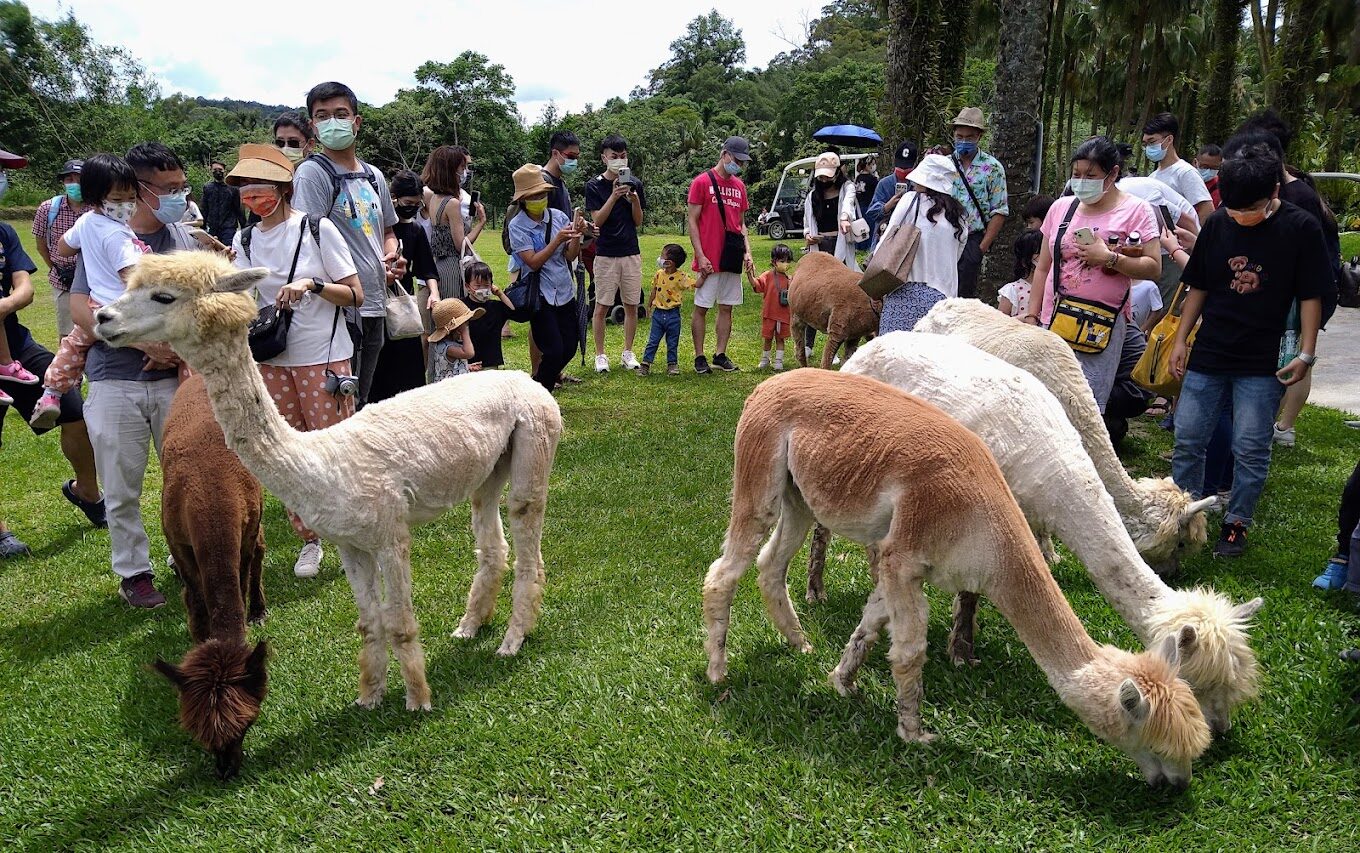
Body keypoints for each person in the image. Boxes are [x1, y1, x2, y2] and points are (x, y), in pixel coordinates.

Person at [1169, 144, 1328, 558]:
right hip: (1211, 352)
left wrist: (1306, 352)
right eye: (1235, 209)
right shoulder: (1219, 222)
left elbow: (1311, 294)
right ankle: (1183, 517)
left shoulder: (1301, 228)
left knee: (1251, 446)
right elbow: (1199, 284)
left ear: (1275, 189)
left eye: (1250, 209)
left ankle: (1236, 523)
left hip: (1263, 362)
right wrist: (1181, 338)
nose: (1241, 217)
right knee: (1188, 438)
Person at [73, 142, 204, 607]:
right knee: (122, 483)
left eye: (181, 187)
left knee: (185, 477)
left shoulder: (184, 240)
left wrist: (174, 350)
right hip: (115, 379)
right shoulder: (104, 234)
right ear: (140, 190)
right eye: (168, 189)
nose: (178, 197)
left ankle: (183, 557)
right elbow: (79, 306)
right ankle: (134, 572)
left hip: (178, 382)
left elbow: (203, 307)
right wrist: (142, 342)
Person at [227, 143, 364, 578]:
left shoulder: (318, 228)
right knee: (287, 450)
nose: (253, 200)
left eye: (260, 190)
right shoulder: (245, 238)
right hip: (272, 357)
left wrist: (312, 284)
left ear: (283, 189)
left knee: (334, 447)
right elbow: (241, 296)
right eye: (245, 192)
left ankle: (354, 530)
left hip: (322, 356)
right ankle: (309, 538)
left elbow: (355, 292)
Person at [0, 146, 105, 560]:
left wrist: (7, 304)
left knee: (72, 406)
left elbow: (24, 285)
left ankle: (88, 492)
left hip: (15, 344)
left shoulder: (5, 232)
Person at [1021, 137, 1160, 411]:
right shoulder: (1061, 208)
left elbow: (1153, 266)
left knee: (1086, 403)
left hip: (1102, 323)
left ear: (1113, 174)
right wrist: (1032, 315)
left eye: (1091, 175)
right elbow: (1043, 267)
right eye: (1077, 174)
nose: (1082, 181)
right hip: (1054, 319)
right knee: (1044, 397)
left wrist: (1110, 258)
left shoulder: (1136, 210)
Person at [1231, 112, 1344, 449]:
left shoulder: (1300, 197)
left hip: (1303, 291)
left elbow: (1310, 262)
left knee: (1296, 354)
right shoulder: (1262, 190)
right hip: (1276, 288)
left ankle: (1282, 427)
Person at [292, 81, 403, 409]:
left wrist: (392, 253)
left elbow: (388, 231)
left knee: (361, 398)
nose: (332, 122)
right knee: (338, 401)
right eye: (322, 116)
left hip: (374, 304)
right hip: (339, 309)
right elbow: (305, 242)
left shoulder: (374, 176)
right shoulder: (312, 175)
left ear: (357, 121)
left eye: (340, 114)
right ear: (313, 126)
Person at [28, 153, 150, 428]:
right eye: (118, 200)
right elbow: (130, 276)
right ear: (95, 197)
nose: (127, 206)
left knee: (72, 346)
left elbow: (62, 247)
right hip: (121, 308)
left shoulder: (85, 222)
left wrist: (86, 248)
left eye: (131, 198)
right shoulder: (117, 235)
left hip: (94, 306)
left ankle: (51, 395)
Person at [508, 163, 583, 393]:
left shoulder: (559, 217)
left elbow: (570, 255)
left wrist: (577, 235)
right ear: (523, 199)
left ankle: (538, 385)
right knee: (553, 349)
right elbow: (532, 262)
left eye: (542, 194)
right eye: (534, 195)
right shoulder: (517, 226)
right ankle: (542, 391)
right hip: (540, 295)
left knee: (570, 346)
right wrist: (557, 240)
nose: (540, 199)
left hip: (564, 290)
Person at [686, 136, 756, 374]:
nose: (739, 165)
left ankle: (720, 353)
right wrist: (700, 254)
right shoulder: (701, 182)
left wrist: (748, 252)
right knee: (702, 307)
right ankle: (699, 356)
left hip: (732, 256)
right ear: (724, 154)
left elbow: (742, 224)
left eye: (742, 162)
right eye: (736, 160)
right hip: (709, 257)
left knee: (727, 307)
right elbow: (692, 221)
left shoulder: (740, 187)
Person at [878, 154, 968, 333]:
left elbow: (885, 243)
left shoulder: (911, 200)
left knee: (896, 356)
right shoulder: (960, 216)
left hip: (906, 293)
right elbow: (955, 257)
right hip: (944, 302)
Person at [370, 169, 437, 402]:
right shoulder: (374, 227)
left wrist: (433, 294)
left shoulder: (415, 229)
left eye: (417, 205)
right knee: (378, 365)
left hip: (403, 304)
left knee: (410, 365)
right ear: (393, 198)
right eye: (408, 203)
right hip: (376, 300)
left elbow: (427, 268)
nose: (411, 209)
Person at [585, 134, 645, 373]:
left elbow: (638, 222)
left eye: (623, 156)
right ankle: (600, 355)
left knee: (632, 304)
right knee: (602, 306)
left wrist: (635, 201)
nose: (619, 161)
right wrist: (613, 195)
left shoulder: (634, 183)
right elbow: (597, 220)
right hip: (606, 253)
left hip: (631, 251)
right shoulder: (594, 185)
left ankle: (628, 352)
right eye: (614, 157)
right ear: (604, 158)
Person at [947, 108, 1009, 299]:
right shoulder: (945, 165)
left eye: (969, 137)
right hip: (944, 237)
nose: (963, 141)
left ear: (979, 136)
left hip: (972, 238)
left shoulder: (992, 168)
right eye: (959, 136)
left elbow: (999, 210)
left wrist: (981, 247)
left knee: (963, 295)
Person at [31, 158, 89, 337]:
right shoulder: (48, 209)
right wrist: (56, 268)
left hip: (92, 279)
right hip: (62, 279)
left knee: (95, 329)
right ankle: (67, 365)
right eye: (69, 180)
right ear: (63, 182)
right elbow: (41, 246)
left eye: (79, 179)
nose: (74, 184)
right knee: (67, 334)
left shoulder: (97, 208)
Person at [1142, 113, 1215, 224]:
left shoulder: (1185, 172)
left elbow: (1206, 210)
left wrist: (1195, 237)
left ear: (1169, 139)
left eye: (1152, 142)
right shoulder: (1153, 177)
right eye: (1145, 144)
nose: (1148, 148)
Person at [640, 243, 694, 376]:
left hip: (673, 315)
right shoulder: (659, 274)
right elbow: (654, 290)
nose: (660, 258)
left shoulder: (681, 277)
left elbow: (694, 284)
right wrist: (649, 305)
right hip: (658, 314)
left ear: (669, 262)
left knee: (672, 341)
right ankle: (646, 364)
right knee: (653, 341)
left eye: (662, 256)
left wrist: (704, 276)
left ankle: (672, 364)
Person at [803, 151, 860, 272]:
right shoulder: (812, 196)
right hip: (820, 246)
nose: (824, 180)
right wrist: (808, 235)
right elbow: (807, 223)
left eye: (828, 177)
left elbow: (848, 204)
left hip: (840, 242)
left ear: (838, 173)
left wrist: (844, 218)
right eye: (821, 177)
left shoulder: (847, 188)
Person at [866, 141, 919, 253]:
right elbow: (871, 212)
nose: (903, 170)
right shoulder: (884, 183)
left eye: (906, 167)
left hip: (909, 240)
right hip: (884, 237)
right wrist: (886, 207)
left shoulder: (918, 185)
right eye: (900, 166)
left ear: (914, 164)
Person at [750, 243, 793, 370]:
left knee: (781, 339)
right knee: (767, 338)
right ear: (773, 261)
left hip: (784, 316)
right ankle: (765, 359)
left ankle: (778, 361)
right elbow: (756, 285)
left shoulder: (790, 279)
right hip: (769, 314)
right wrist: (749, 274)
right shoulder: (767, 276)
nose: (785, 264)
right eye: (782, 261)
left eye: (787, 261)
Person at [463, 261, 513, 370]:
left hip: (491, 360)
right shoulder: (462, 306)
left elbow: (512, 311)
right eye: (477, 285)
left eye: (486, 285)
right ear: (467, 286)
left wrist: (500, 294)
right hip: (470, 361)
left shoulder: (495, 307)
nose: (482, 289)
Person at [428, 297, 481, 380]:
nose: (467, 326)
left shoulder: (444, 344)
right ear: (456, 329)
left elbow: (451, 365)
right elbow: (469, 353)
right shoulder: (448, 348)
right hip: (451, 390)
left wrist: (467, 367)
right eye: (465, 324)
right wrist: (464, 331)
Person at [997, 228, 1042, 317]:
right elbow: (998, 324)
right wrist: (1021, 320)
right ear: (1024, 260)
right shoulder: (1012, 290)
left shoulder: (1056, 289)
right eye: (1039, 253)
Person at [201, 158, 246, 245]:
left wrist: (244, 227)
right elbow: (204, 208)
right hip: (213, 227)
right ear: (211, 171)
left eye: (220, 170)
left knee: (229, 251)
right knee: (212, 252)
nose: (218, 172)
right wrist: (203, 227)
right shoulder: (208, 188)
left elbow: (239, 209)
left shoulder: (233, 189)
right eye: (215, 170)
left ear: (224, 171)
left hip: (228, 227)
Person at [853, 156, 879, 249]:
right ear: (867, 165)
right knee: (869, 228)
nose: (873, 166)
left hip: (859, 207)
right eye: (872, 164)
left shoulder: (858, 177)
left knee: (860, 227)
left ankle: (859, 245)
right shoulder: (872, 179)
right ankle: (868, 246)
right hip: (869, 206)